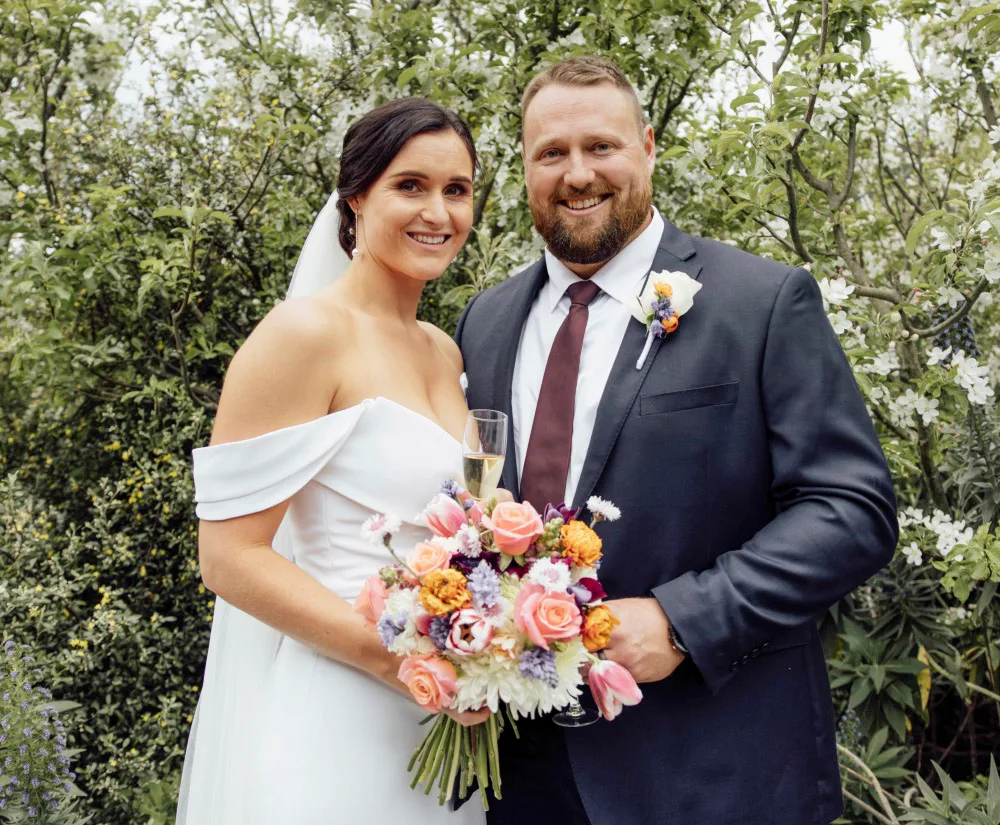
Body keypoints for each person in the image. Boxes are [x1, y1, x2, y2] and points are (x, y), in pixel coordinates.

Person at [456, 56, 898, 825]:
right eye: (551, 153)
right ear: (524, 167)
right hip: (523, 777)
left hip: (712, 772)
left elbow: (852, 509)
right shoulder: (486, 322)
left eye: (602, 146)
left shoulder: (761, 302)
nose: (577, 173)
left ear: (649, 146)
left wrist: (686, 620)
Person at [175, 97, 488, 825]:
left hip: (443, 723)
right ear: (356, 196)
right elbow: (229, 558)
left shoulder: (444, 350)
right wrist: (399, 661)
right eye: (410, 186)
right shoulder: (305, 333)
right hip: (344, 708)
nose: (437, 211)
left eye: (457, 189)